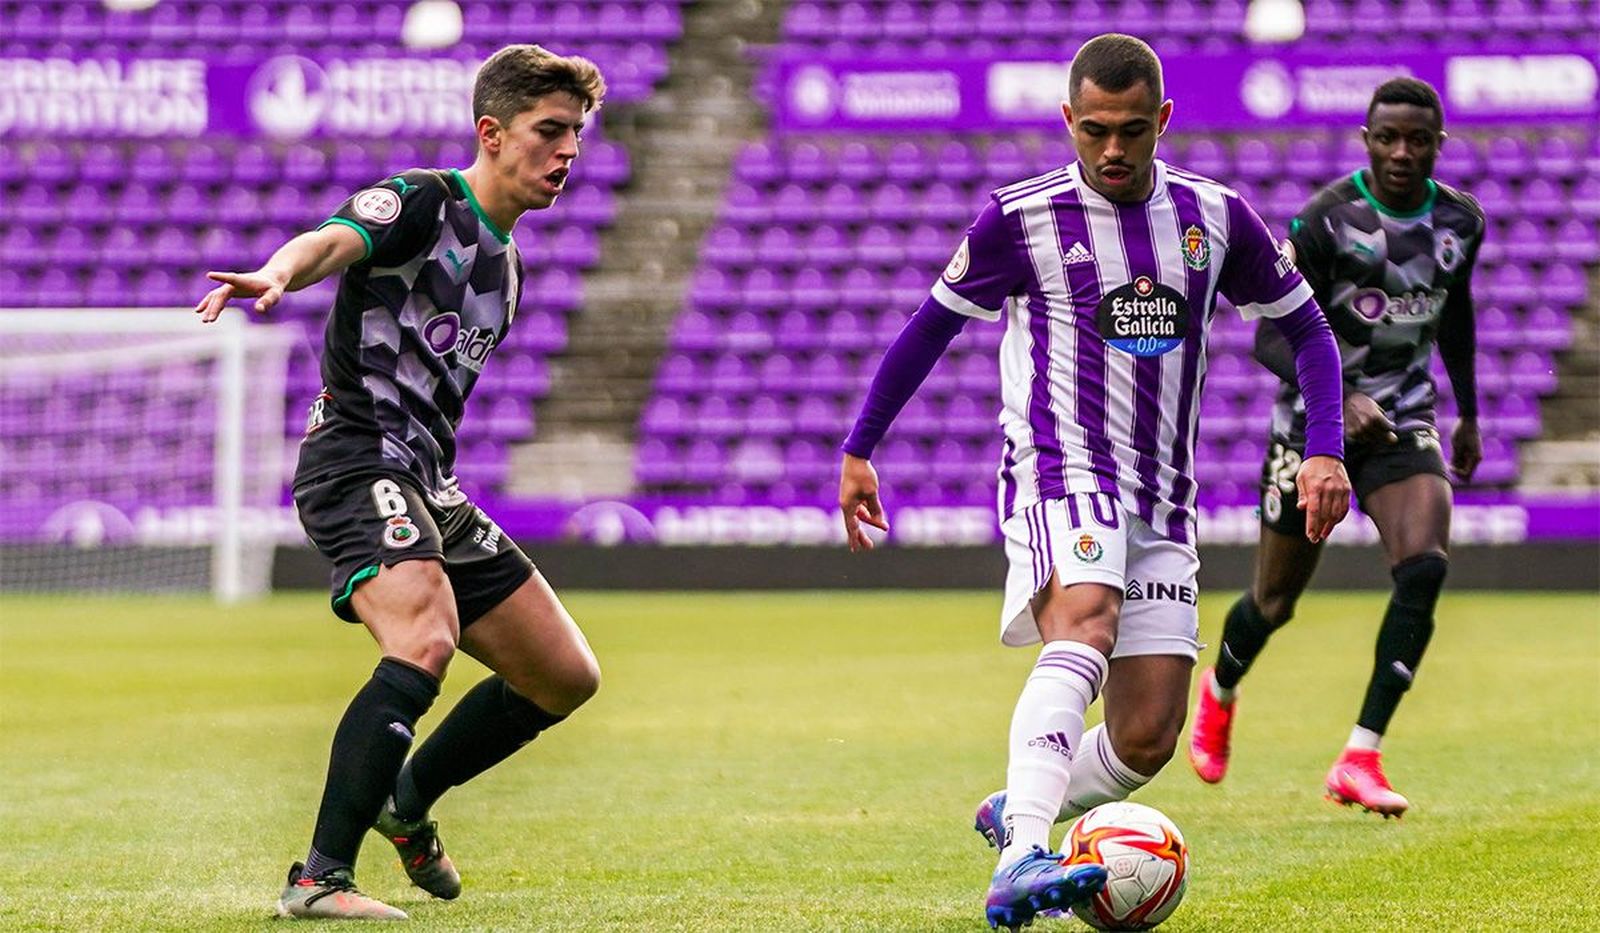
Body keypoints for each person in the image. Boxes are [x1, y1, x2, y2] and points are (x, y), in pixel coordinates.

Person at [836, 33, 1352, 931]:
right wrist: (860, 447)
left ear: (1164, 120)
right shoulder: (1021, 218)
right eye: (1095, 130)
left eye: (1132, 131)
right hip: (1061, 468)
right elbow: (929, 327)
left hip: (1164, 496)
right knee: (1087, 620)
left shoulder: (1215, 216)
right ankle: (1022, 858)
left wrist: (1326, 447)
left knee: (1148, 733)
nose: (1113, 149)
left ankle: (1021, 804)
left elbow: (1307, 328)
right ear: (1068, 119)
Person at [194, 45, 606, 919]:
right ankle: (318, 879)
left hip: (429, 480)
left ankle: (405, 800)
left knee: (564, 674)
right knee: (423, 634)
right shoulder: (425, 199)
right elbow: (333, 240)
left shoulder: (509, 267)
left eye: (577, 133)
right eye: (550, 130)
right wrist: (279, 271)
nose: (569, 150)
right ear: (492, 133)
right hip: (355, 457)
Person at [1187, 77, 1485, 818]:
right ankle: (1220, 689)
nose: (1402, 152)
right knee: (1274, 601)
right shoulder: (1326, 220)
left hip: (1404, 419)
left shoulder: (1460, 220)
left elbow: (1455, 313)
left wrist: (1470, 414)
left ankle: (1361, 753)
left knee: (1424, 566)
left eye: (1418, 140)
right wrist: (1341, 399)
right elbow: (1268, 335)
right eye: (1388, 138)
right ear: (1367, 141)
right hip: (1313, 427)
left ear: (1438, 145)